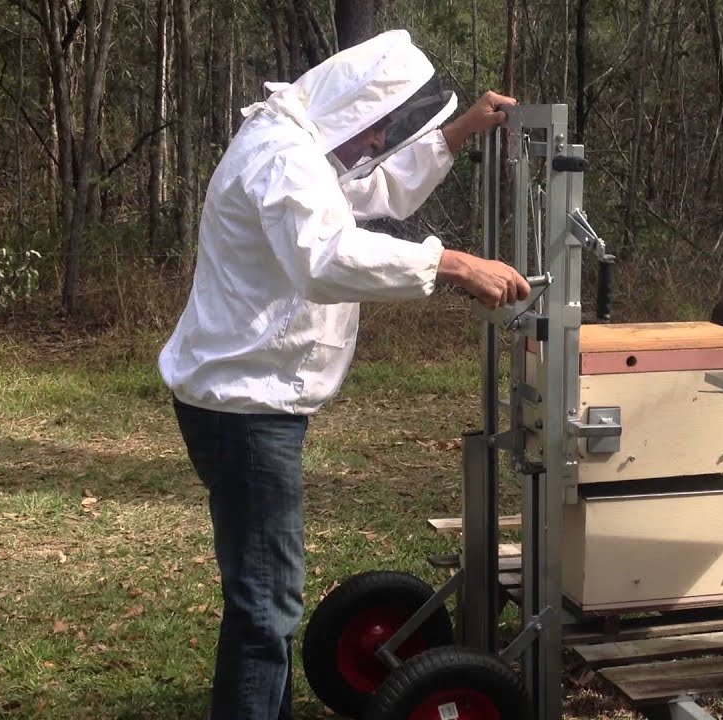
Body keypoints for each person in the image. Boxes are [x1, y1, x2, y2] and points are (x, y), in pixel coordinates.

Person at [157, 29, 529, 720]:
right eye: (376, 125)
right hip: (246, 409)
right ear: (347, 109)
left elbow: (372, 191)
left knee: (263, 595)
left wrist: (462, 131)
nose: (376, 140)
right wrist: (453, 265)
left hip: (247, 401)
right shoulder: (281, 157)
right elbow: (325, 257)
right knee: (266, 606)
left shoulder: (300, 147)